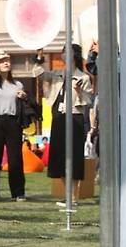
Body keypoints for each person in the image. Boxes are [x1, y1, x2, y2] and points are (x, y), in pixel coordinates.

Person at [34, 45, 93, 206]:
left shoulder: (83, 78)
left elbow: (88, 101)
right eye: (63, 51)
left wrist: (79, 91)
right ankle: (68, 196)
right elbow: (38, 74)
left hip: (75, 117)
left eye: (68, 51)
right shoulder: (56, 74)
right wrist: (39, 56)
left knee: (74, 157)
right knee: (58, 157)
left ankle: (73, 197)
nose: (64, 54)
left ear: (75, 55)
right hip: (58, 118)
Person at [0, 53, 26, 202]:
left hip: (13, 122)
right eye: (2, 61)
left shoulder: (18, 84)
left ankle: (18, 192)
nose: (6, 63)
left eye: (7, 60)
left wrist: (23, 96)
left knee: (15, 158)